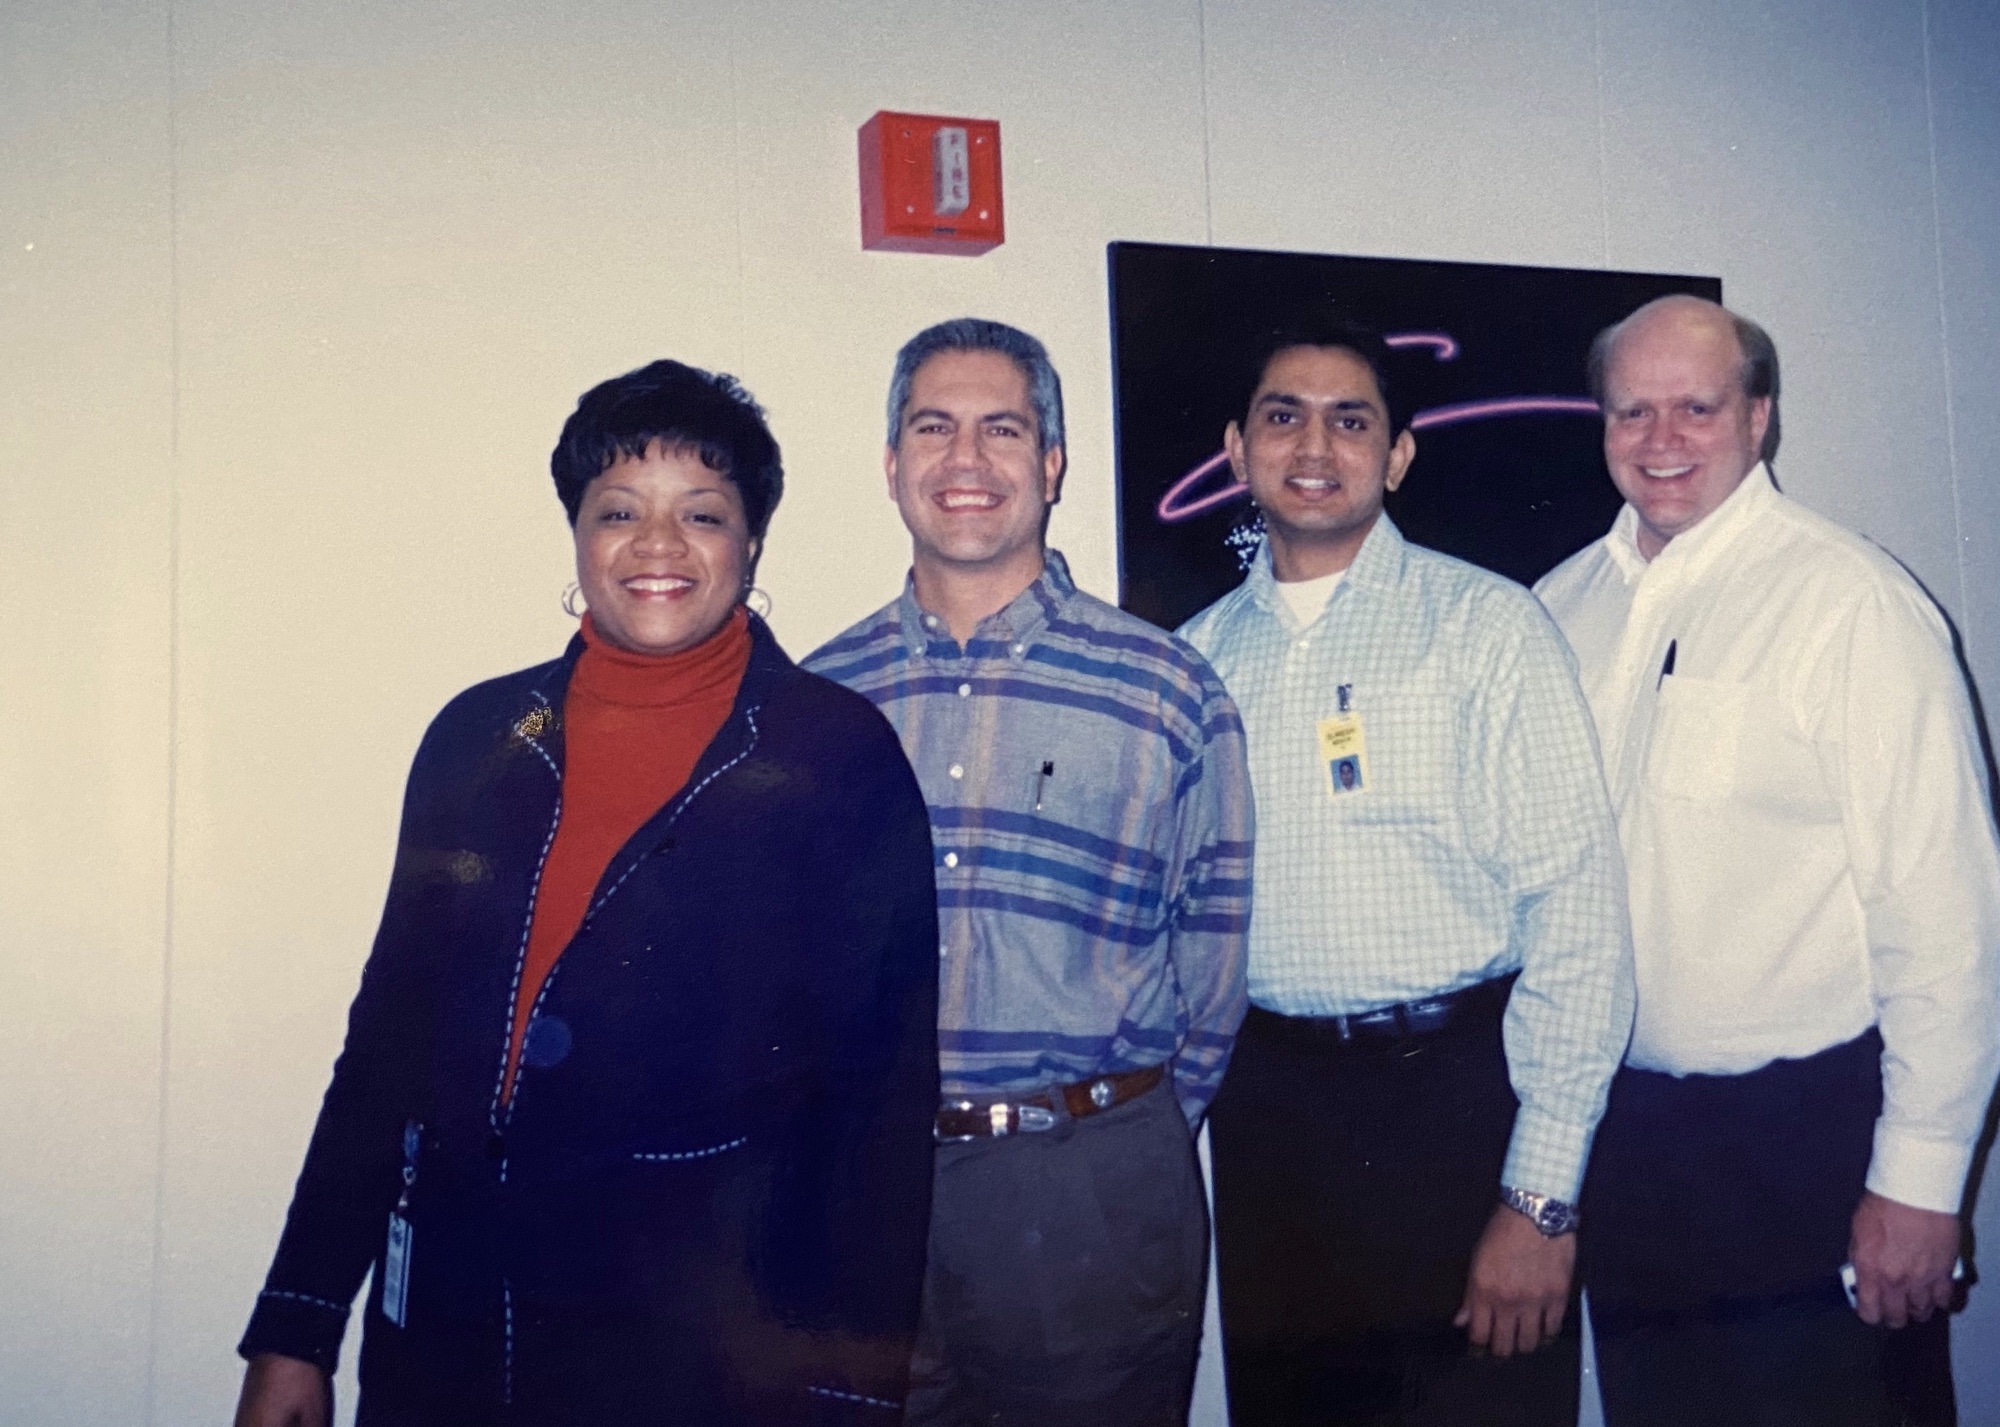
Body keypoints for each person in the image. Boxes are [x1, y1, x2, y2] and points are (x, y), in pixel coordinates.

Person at [232, 360, 941, 1427]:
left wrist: (847, 1391)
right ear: (577, 533)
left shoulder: (835, 755)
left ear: (750, 542)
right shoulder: (477, 736)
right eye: (619, 511)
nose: (657, 546)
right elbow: (386, 1047)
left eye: (700, 513)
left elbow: (875, 1110)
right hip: (451, 1331)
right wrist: (297, 1322)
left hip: (698, 1347)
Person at [1535, 294, 2000, 1427]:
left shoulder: (1850, 604)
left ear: (1759, 418)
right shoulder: (1557, 606)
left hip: (1807, 1143)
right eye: (1629, 409)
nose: (1659, 439)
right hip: (1627, 1147)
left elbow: (1944, 907)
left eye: (1694, 406)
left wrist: (1919, 1178)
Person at [1177, 317, 1635, 1426]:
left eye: (1350, 418)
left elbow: (1577, 911)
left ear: (1394, 456)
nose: (1314, 444)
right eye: (1283, 415)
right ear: (1235, 449)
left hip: (1456, 1108)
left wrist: (1538, 1198)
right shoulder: (1191, 660)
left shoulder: (1484, 626)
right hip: (1272, 1124)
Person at [804, 317, 1253, 1427]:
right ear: (891, 463)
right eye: (933, 427)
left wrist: (1118, 1129)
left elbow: (1214, 943)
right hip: (871, 1191)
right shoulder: (817, 700)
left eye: (1001, 428)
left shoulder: (1163, 686)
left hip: (1090, 1188)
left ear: (1050, 463)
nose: (966, 460)